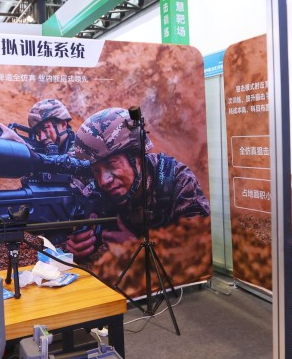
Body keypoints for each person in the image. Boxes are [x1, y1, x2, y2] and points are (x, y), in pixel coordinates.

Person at [64, 107, 210, 261]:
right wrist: (82, 245)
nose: (103, 181)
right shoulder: (95, 192)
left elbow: (201, 251)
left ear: (137, 156)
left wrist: (138, 249)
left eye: (112, 164)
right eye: (96, 171)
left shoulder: (176, 181)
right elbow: (79, 233)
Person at [0, 98, 77, 155]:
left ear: (63, 124)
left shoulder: (82, 149)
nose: (42, 138)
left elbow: (62, 164)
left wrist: (21, 142)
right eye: (38, 133)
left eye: (45, 129)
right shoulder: (45, 149)